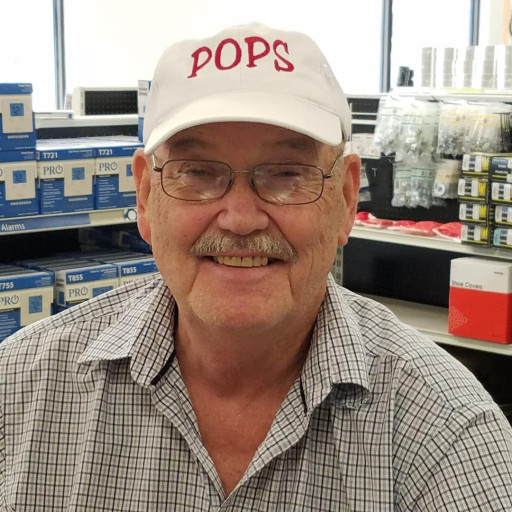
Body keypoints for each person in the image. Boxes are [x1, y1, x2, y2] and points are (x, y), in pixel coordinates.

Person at [1, 23, 511, 511]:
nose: (241, 219)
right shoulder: (20, 389)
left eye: (287, 174)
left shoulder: (451, 434)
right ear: (145, 194)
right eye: (197, 172)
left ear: (345, 198)